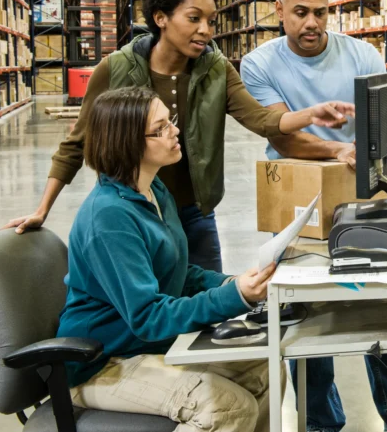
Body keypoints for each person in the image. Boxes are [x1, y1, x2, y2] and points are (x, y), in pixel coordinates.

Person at [4, 0, 354, 273]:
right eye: (194, 18)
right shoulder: (115, 70)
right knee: (150, 310)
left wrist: (309, 114)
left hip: (194, 213)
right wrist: (42, 210)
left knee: (205, 308)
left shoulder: (216, 69)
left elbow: (261, 119)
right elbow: (76, 143)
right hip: (134, 213)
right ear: (161, 18)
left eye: (212, 21)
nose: (206, 30)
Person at [240, 0, 387, 432]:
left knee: (381, 301)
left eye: (320, 12)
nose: (312, 22)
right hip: (295, 194)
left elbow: (383, 126)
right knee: (305, 315)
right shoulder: (259, 64)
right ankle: (320, 421)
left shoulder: (362, 54)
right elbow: (282, 136)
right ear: (279, 12)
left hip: (360, 191)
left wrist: (362, 156)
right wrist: (339, 148)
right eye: (300, 12)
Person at [56, 86, 276, 432]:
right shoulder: (110, 218)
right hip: (103, 360)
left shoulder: (153, 190)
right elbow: (147, 316)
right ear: (126, 142)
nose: (174, 131)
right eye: (160, 129)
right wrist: (234, 299)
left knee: (265, 367)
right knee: (225, 408)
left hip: (141, 345)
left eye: (169, 121)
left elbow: (177, 273)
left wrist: (230, 284)